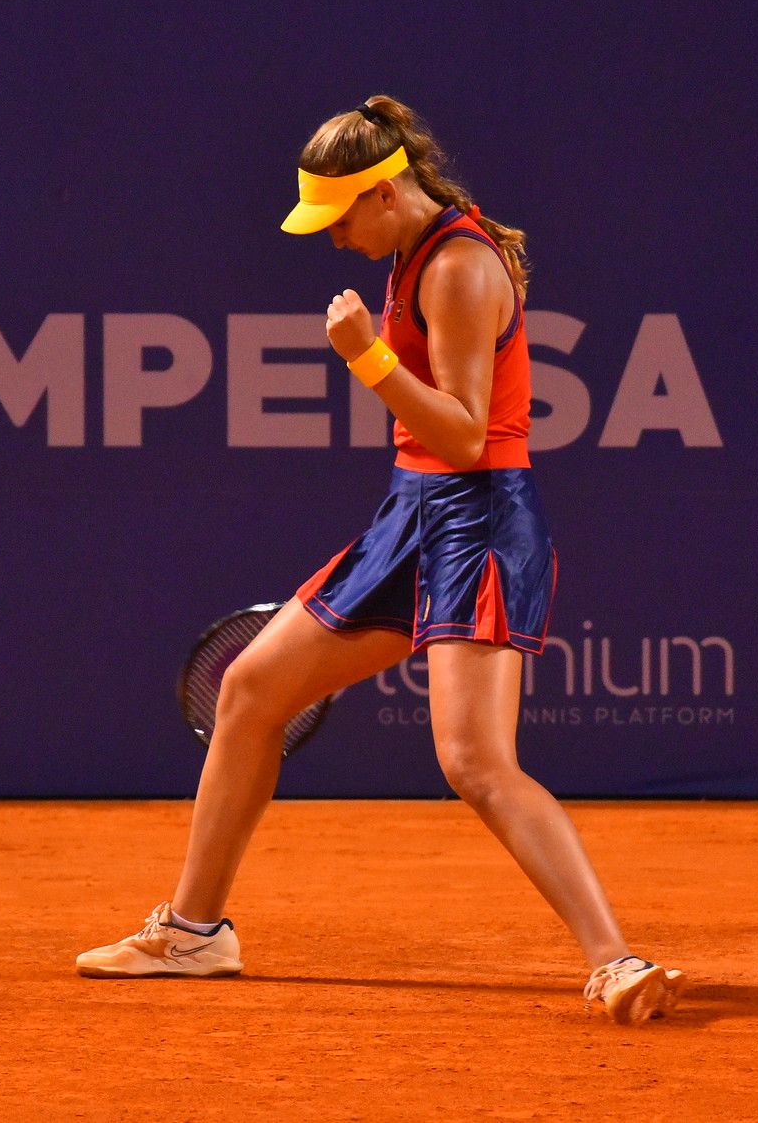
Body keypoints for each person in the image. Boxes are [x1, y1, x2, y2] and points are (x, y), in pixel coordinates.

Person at [75, 96, 683, 1025]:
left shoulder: (462, 270)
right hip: (413, 511)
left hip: (477, 516)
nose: (333, 240)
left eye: (341, 218)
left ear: (388, 192)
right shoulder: (407, 252)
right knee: (249, 690)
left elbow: (472, 435)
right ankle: (195, 931)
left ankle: (614, 957)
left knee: (475, 761)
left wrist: (365, 359)